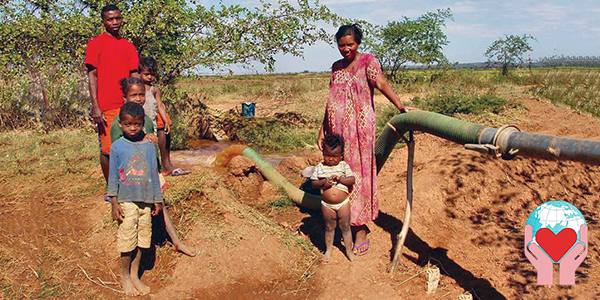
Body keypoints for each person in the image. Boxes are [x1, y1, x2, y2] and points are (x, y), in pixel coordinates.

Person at [317, 24, 410, 256]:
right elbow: (331, 100)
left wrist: (400, 106)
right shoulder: (336, 67)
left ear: (358, 43)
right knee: (335, 173)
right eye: (341, 45)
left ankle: (360, 228)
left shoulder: (368, 61)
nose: (346, 49)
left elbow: (382, 84)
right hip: (336, 134)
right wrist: (322, 129)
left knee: (356, 177)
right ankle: (340, 219)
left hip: (359, 133)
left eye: (350, 44)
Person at [111, 77, 196, 257]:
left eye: (142, 94)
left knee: (159, 203)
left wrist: (153, 141)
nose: (139, 98)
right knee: (134, 215)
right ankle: (140, 254)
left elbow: (151, 145)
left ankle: (176, 241)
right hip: (131, 176)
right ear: (125, 97)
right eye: (134, 95)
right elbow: (120, 152)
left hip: (149, 170)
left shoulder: (145, 119)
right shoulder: (121, 122)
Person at [107, 101, 163, 296]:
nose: (133, 128)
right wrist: (114, 202)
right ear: (120, 124)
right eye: (128, 124)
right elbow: (113, 176)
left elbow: (154, 175)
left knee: (142, 240)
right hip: (126, 200)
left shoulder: (148, 146)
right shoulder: (117, 147)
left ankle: (134, 275)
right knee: (127, 240)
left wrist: (157, 199)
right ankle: (124, 277)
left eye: (137, 124)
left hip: (146, 201)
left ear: (142, 124)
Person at [85, 4, 139, 182]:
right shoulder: (95, 44)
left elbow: (134, 75)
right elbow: (92, 76)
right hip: (106, 105)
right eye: (110, 19)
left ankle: (128, 182)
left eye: (117, 18)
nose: (114, 22)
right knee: (107, 149)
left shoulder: (128, 46)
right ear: (104, 22)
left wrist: (138, 102)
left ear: (122, 19)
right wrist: (95, 106)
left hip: (128, 106)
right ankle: (111, 188)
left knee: (130, 146)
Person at [138, 57, 190, 176]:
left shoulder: (154, 89)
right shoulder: (137, 87)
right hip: (141, 120)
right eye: (146, 74)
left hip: (152, 119)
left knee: (159, 133)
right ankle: (149, 169)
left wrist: (166, 120)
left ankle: (165, 165)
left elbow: (160, 105)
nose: (150, 77)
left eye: (152, 74)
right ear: (140, 73)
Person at [311, 134, 355, 262]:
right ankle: (328, 250)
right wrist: (324, 183)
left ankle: (349, 251)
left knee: (346, 227)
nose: (330, 159)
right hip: (327, 204)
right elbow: (314, 183)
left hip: (343, 203)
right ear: (323, 153)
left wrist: (341, 179)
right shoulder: (320, 167)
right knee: (329, 227)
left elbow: (352, 180)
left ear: (341, 155)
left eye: (335, 156)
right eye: (327, 155)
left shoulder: (343, 166)